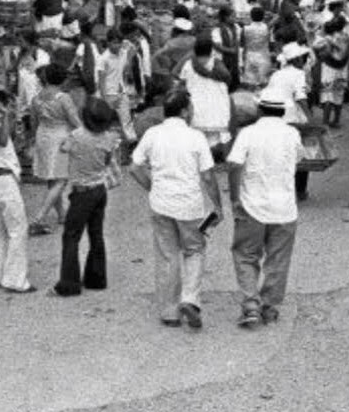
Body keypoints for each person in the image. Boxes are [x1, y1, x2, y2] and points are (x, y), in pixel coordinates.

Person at [129, 89, 221, 329]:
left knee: (167, 254)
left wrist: (152, 187)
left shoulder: (153, 134)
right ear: (183, 111)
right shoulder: (196, 137)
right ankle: (190, 299)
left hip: (160, 204)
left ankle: (169, 311)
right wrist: (218, 205)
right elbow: (209, 177)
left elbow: (134, 167)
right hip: (190, 206)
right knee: (194, 250)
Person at [225, 83, 301, 328]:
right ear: (283, 112)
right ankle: (270, 306)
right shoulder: (292, 134)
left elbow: (235, 165)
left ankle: (250, 305)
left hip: (251, 205)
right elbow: (299, 159)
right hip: (285, 208)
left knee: (246, 255)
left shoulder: (248, 133)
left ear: (259, 110)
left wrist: (235, 199)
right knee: (278, 259)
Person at [54, 96, 121, 297]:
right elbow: (109, 160)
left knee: (71, 235)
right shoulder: (109, 138)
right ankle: (96, 278)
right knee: (96, 234)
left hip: (81, 191)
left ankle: (69, 283)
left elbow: (62, 149)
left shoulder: (75, 137)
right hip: (99, 188)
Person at [0, 89, 36, 293]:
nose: (15, 109)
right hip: (3, 182)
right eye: (11, 105)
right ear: (0, 105)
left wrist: (5, 116)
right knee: (18, 230)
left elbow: (3, 141)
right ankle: (15, 279)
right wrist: (0, 115)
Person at [28, 65, 79, 235]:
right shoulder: (63, 98)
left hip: (42, 135)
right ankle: (39, 217)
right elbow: (74, 120)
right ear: (63, 80)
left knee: (52, 178)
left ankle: (62, 214)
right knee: (61, 179)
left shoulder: (36, 98)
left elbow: (33, 122)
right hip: (60, 136)